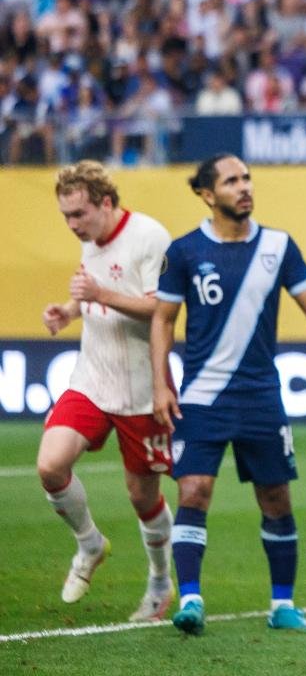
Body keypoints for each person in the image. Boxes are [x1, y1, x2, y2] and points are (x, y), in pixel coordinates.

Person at [149, 153, 306, 635]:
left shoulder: (279, 246)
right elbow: (162, 318)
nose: (244, 187)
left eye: (247, 178)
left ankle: (283, 605)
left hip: (261, 395)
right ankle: (192, 599)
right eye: (231, 181)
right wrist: (161, 383)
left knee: (276, 497)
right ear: (207, 193)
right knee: (194, 491)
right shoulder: (183, 252)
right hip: (201, 396)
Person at [37, 161, 175, 621]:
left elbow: (162, 310)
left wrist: (98, 295)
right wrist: (69, 309)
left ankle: (159, 583)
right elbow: (92, 288)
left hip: (141, 386)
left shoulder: (149, 237)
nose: (73, 225)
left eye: (79, 214)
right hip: (92, 379)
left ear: (106, 203)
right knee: (50, 465)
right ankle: (89, 544)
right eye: (65, 217)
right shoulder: (90, 241)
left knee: (142, 497)